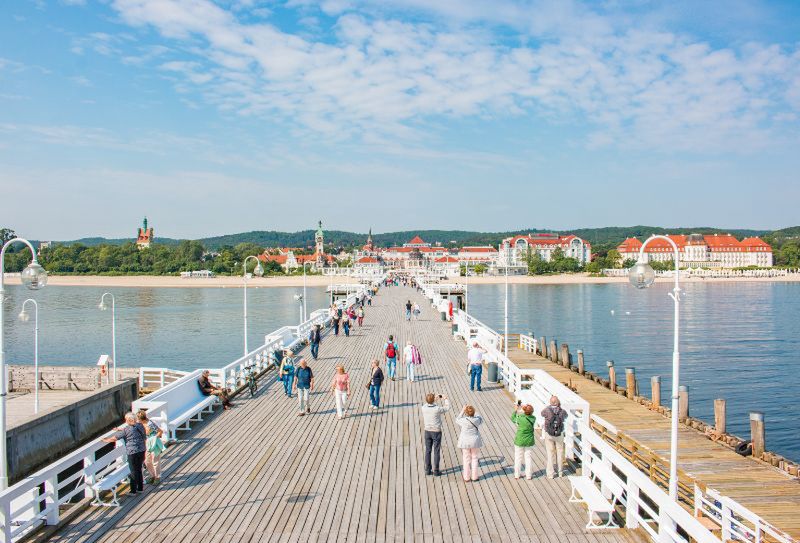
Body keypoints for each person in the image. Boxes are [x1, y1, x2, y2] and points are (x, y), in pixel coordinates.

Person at [102, 413, 147, 495]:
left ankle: (133, 491)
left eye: (126, 419)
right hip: (142, 450)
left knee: (133, 471)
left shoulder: (126, 430)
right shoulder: (140, 425)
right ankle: (140, 488)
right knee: (139, 469)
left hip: (132, 452)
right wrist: (120, 429)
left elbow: (114, 439)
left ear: (128, 420)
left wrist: (105, 440)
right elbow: (132, 428)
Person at [421, 393, 450, 476]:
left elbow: (429, 403)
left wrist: (434, 399)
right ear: (433, 400)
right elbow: (447, 408)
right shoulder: (437, 409)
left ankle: (427, 470)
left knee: (428, 450)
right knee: (436, 451)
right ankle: (436, 471)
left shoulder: (423, 408)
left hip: (427, 431)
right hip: (436, 432)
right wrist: (445, 399)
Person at [541, 395, 568, 478]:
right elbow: (566, 416)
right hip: (559, 434)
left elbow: (542, 414)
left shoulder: (547, 410)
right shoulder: (562, 411)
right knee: (559, 452)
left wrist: (549, 407)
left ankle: (550, 474)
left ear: (550, 402)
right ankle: (560, 472)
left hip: (549, 434)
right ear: (558, 402)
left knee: (550, 453)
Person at [455, 405, 484, 482]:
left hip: (465, 442)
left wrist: (463, 410)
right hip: (475, 441)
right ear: (473, 412)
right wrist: (474, 411)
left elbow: (457, 419)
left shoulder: (463, 420)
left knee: (466, 459)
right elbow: (480, 418)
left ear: (466, 413)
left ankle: (466, 477)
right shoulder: (477, 420)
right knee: (474, 458)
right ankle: (474, 477)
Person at [136, 411, 164, 485]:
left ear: (142, 419)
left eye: (138, 419)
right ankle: (153, 476)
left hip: (154, 444)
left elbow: (160, 431)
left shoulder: (150, 424)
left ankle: (157, 477)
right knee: (147, 461)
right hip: (146, 445)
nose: (138, 421)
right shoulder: (139, 424)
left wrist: (154, 438)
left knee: (155, 461)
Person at [511, 403, 537, 480]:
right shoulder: (533, 418)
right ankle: (528, 475)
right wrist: (526, 408)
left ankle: (517, 475)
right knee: (528, 458)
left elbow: (513, 418)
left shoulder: (520, 418)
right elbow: (528, 414)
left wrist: (516, 410)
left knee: (518, 458)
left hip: (520, 440)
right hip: (529, 440)